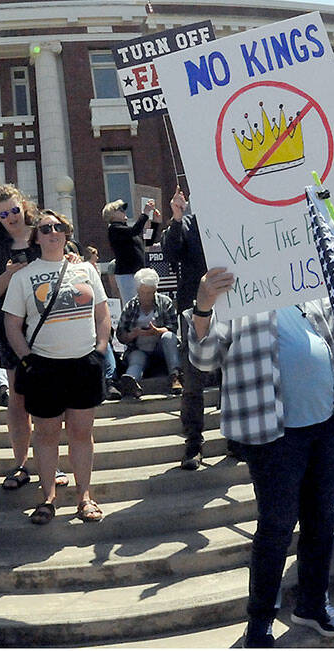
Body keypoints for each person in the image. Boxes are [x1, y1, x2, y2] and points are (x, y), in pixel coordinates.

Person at [189, 262, 334, 647]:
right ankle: (260, 621)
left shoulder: (308, 281)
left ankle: (312, 605)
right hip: (272, 435)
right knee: (277, 526)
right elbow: (204, 359)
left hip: (325, 422)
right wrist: (204, 305)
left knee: (323, 520)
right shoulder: (237, 293)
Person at [4, 209, 111, 528]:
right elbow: (12, 324)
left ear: (67, 233)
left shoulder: (86, 270)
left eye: (59, 227)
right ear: (36, 237)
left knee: (82, 432)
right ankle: (47, 497)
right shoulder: (23, 277)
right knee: (46, 434)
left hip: (84, 363)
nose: (53, 232)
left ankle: (84, 496)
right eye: (46, 228)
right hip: (44, 367)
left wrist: (100, 350)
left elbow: (102, 313)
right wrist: (27, 359)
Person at [0, 183, 43, 492]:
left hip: (48, 326)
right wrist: (9, 274)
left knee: (48, 398)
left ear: (24, 206)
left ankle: (49, 462)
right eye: (4, 214)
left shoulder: (43, 232)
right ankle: (21, 463)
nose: (11, 218)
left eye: (15, 210)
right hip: (10, 329)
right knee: (18, 399)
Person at [163, 187, 213, 469]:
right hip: (194, 308)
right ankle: (193, 441)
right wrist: (177, 218)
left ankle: (236, 440)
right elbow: (171, 253)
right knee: (193, 378)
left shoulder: (231, 217)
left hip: (233, 306)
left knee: (233, 374)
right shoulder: (186, 223)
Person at [114, 267, 181, 399]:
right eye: (143, 292)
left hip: (160, 349)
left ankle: (176, 376)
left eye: (150, 292)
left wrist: (157, 331)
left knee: (168, 337)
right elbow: (121, 335)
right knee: (136, 359)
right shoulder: (131, 306)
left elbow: (173, 328)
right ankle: (131, 381)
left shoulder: (165, 302)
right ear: (137, 290)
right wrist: (133, 334)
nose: (146, 296)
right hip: (139, 349)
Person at [104, 198, 160, 303]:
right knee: (132, 304)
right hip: (127, 274)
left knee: (146, 303)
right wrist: (145, 213)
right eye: (120, 209)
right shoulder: (114, 229)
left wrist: (155, 223)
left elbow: (148, 241)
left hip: (139, 272)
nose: (124, 211)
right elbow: (135, 230)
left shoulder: (126, 230)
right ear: (112, 215)